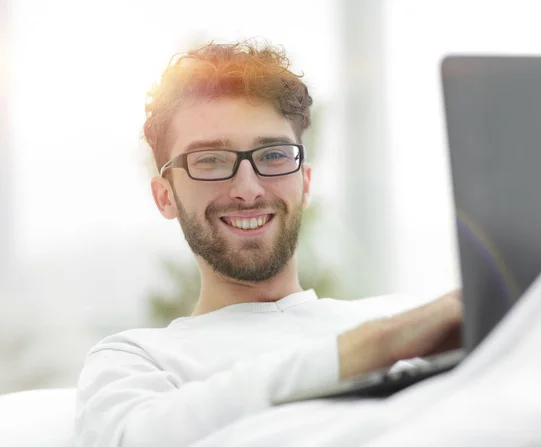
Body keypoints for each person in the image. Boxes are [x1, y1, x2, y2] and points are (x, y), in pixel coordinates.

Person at [74, 40, 462, 447]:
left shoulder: (404, 318)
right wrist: (365, 350)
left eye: (273, 155)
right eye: (210, 160)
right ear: (164, 196)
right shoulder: (137, 360)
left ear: (304, 183)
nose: (248, 188)